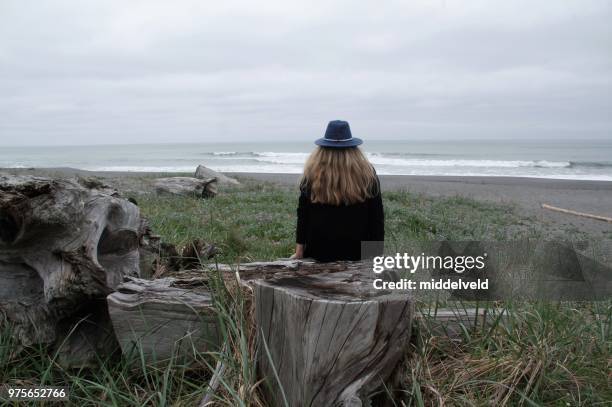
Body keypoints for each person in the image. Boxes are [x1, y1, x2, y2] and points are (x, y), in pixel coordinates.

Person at [291, 120, 384, 262]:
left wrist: (299, 251)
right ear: (353, 147)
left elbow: (303, 214)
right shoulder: (367, 173)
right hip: (357, 254)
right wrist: (375, 256)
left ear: (323, 147)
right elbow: (376, 218)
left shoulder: (311, 173)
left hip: (318, 253)